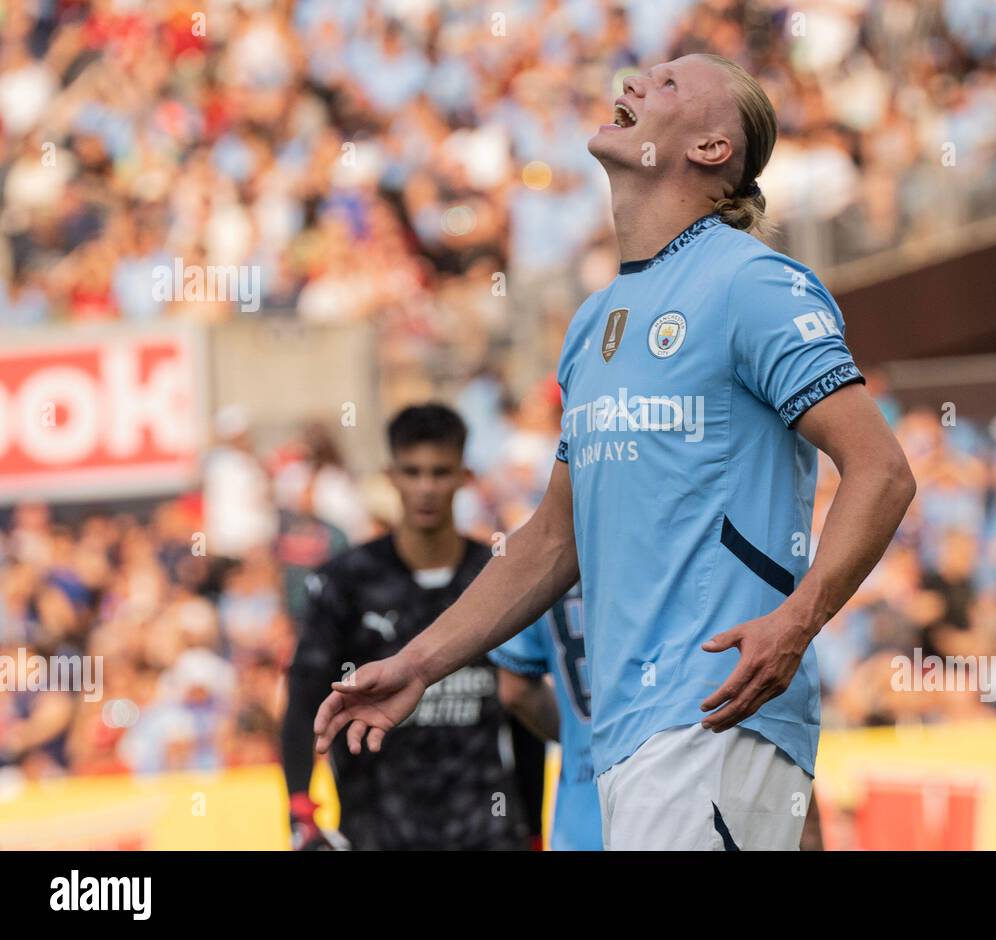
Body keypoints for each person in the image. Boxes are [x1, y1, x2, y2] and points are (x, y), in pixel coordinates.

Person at [315, 54, 915, 850]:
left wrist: (797, 621)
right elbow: (552, 539)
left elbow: (882, 470)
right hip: (624, 740)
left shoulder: (755, 285)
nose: (634, 84)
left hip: (716, 714)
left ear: (711, 149)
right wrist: (421, 663)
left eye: (668, 84)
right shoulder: (594, 322)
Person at [281, 404, 531, 850]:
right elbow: (304, 698)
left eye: (440, 472)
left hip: (485, 833)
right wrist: (299, 807)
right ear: (390, 475)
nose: (426, 488)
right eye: (412, 472)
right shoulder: (346, 581)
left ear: (464, 476)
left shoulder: (496, 578)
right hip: (378, 831)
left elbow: (523, 703)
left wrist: (531, 827)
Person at [492, 583, 602, 851]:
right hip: (679, 801)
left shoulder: (546, 551)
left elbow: (515, 691)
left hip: (583, 814)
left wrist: (576, 738)